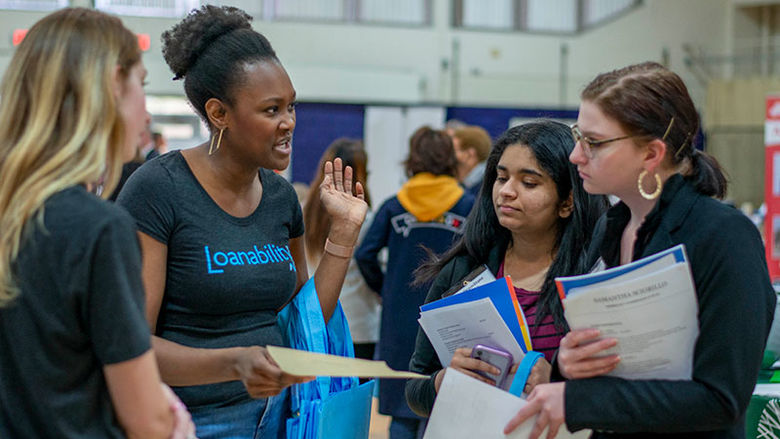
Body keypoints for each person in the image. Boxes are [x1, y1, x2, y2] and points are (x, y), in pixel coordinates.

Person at [117, 5, 367, 439]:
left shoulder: (279, 196)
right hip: (194, 421)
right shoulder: (158, 189)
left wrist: (343, 233)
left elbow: (303, 321)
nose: (289, 122)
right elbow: (132, 346)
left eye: (291, 106)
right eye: (271, 110)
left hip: (281, 416)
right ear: (219, 114)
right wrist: (234, 362)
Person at [505, 62, 777, 439]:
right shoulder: (611, 225)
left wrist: (579, 401)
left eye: (593, 143)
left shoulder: (724, 236)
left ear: (651, 153)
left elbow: (721, 398)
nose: (576, 156)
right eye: (577, 136)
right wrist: (568, 362)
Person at [0, 8, 194, 439]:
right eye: (140, 88)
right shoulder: (99, 229)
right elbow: (147, 420)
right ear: (110, 86)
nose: (145, 115)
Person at [405, 120, 608, 417]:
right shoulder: (462, 270)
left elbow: (621, 395)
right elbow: (415, 389)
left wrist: (557, 382)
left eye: (529, 183)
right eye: (501, 178)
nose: (507, 192)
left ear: (567, 202)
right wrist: (442, 382)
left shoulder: (594, 277)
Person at [355, 126, 475, 439]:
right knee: (443, 402)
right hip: (451, 315)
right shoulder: (468, 205)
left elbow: (365, 253)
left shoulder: (394, 205)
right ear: (449, 158)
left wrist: (385, 290)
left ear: (412, 158)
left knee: (401, 404)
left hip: (400, 318)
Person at [303, 138, 380, 363]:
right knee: (354, 396)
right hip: (357, 323)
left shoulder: (303, 211)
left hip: (314, 318)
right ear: (362, 173)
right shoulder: (365, 219)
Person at [452, 125, 492, 197]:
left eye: (454, 150)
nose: (449, 155)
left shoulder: (485, 189)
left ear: (470, 154)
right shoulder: (471, 184)